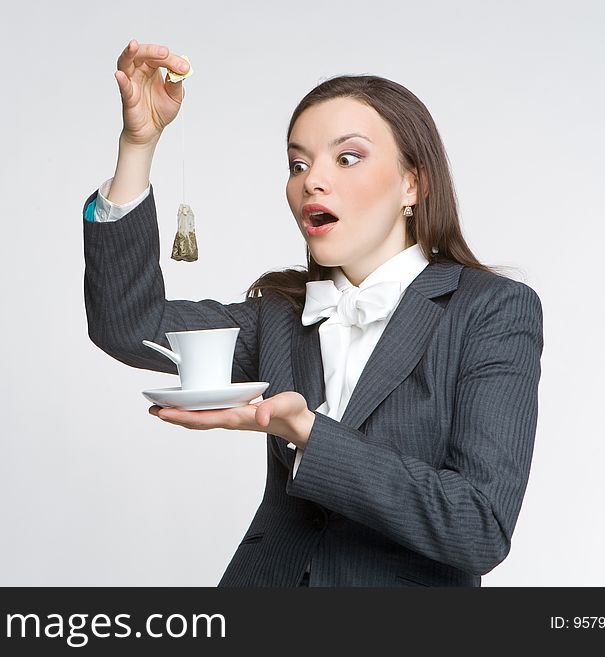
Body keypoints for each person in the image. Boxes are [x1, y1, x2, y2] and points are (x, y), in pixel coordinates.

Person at [82, 39, 543, 587]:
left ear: (412, 183)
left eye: (347, 157)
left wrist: (307, 433)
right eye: (298, 163)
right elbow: (128, 326)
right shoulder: (278, 315)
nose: (311, 181)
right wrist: (138, 145)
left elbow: (478, 528)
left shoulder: (491, 311)